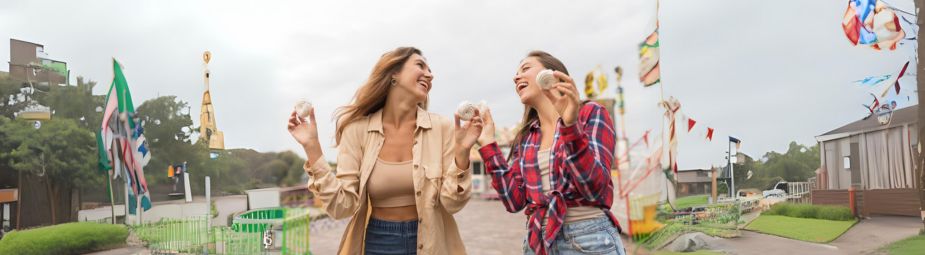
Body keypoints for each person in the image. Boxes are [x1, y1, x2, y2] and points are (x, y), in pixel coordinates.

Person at [287, 47, 483, 254]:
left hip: (433, 243)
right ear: (394, 73)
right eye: (420, 65)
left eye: (430, 70)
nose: (430, 74)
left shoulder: (442, 128)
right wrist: (312, 147)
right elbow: (342, 207)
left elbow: (452, 203)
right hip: (378, 242)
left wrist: (462, 152)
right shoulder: (356, 131)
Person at [476, 51, 625, 255]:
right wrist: (488, 144)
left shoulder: (590, 113)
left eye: (525, 68)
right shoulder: (527, 137)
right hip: (538, 242)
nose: (516, 77)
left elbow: (593, 188)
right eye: (516, 73)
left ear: (551, 74)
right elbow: (513, 201)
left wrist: (570, 126)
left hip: (588, 239)